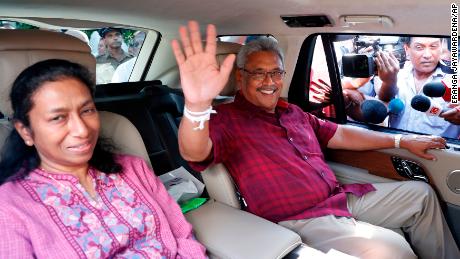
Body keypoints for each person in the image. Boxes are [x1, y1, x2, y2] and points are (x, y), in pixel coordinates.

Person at [172, 21, 460, 259]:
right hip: (300, 218)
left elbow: (341, 133)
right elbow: (195, 154)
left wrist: (401, 142)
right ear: (240, 76)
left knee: (421, 195)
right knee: (393, 251)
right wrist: (196, 105)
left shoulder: (292, 112)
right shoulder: (225, 118)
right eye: (258, 73)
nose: (269, 81)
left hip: (338, 199)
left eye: (275, 72)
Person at [0, 59, 206, 258]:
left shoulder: (134, 168)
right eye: (58, 118)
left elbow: (183, 237)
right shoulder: (9, 207)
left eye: (87, 110)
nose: (82, 130)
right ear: (25, 131)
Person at [375, 37, 460, 138]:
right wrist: (388, 82)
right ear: (407, 49)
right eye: (419, 47)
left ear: (440, 47)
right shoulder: (396, 75)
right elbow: (382, 103)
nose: (427, 55)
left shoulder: (456, 78)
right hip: (398, 149)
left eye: (433, 46)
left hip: (439, 152)